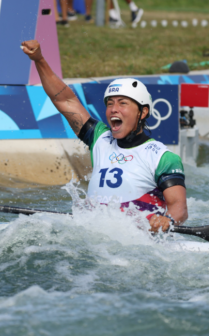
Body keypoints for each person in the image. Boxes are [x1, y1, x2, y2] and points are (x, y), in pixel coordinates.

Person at [20, 40, 188, 233]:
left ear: (142, 113)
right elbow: (64, 99)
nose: (113, 109)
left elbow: (179, 208)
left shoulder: (162, 157)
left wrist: (167, 220)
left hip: (142, 243)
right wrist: (39, 59)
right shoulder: (99, 138)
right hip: (97, 239)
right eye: (110, 103)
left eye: (122, 103)